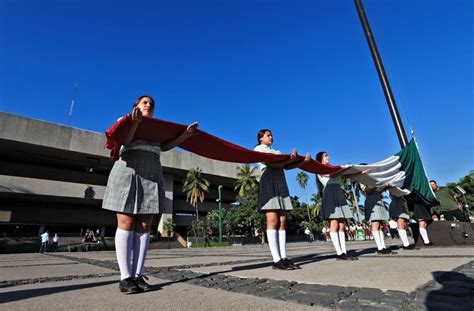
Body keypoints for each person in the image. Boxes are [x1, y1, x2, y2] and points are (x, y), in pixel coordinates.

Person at [102, 95, 197, 294]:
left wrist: (185, 136)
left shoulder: (156, 128)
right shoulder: (125, 120)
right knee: (126, 222)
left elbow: (163, 147)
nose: (148, 105)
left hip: (152, 169)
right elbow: (124, 142)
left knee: (145, 224)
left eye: (151, 104)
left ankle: (138, 274)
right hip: (129, 168)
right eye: (144, 102)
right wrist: (135, 124)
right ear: (135, 106)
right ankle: (125, 277)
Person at [254, 129, 309, 270]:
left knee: (282, 221)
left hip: (280, 181)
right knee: (273, 220)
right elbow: (271, 164)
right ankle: (276, 260)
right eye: (268, 135)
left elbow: (286, 166)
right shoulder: (258, 148)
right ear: (260, 138)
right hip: (268, 181)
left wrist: (301, 162)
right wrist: (290, 159)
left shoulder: (277, 151)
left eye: (271, 135)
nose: (271, 137)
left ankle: (283, 257)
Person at [316, 151, 361, 260]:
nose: (328, 157)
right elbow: (333, 175)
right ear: (320, 159)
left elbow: (345, 176)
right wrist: (343, 169)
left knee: (341, 224)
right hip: (330, 192)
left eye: (327, 155)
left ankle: (344, 252)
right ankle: (339, 252)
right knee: (334, 222)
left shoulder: (334, 168)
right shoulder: (319, 169)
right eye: (325, 156)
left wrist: (361, 173)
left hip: (338, 192)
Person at [361, 185, 394, 255]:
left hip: (378, 200)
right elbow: (366, 190)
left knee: (379, 225)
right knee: (375, 224)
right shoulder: (363, 179)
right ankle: (380, 248)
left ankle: (383, 247)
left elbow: (378, 190)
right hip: (371, 201)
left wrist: (384, 186)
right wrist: (375, 185)